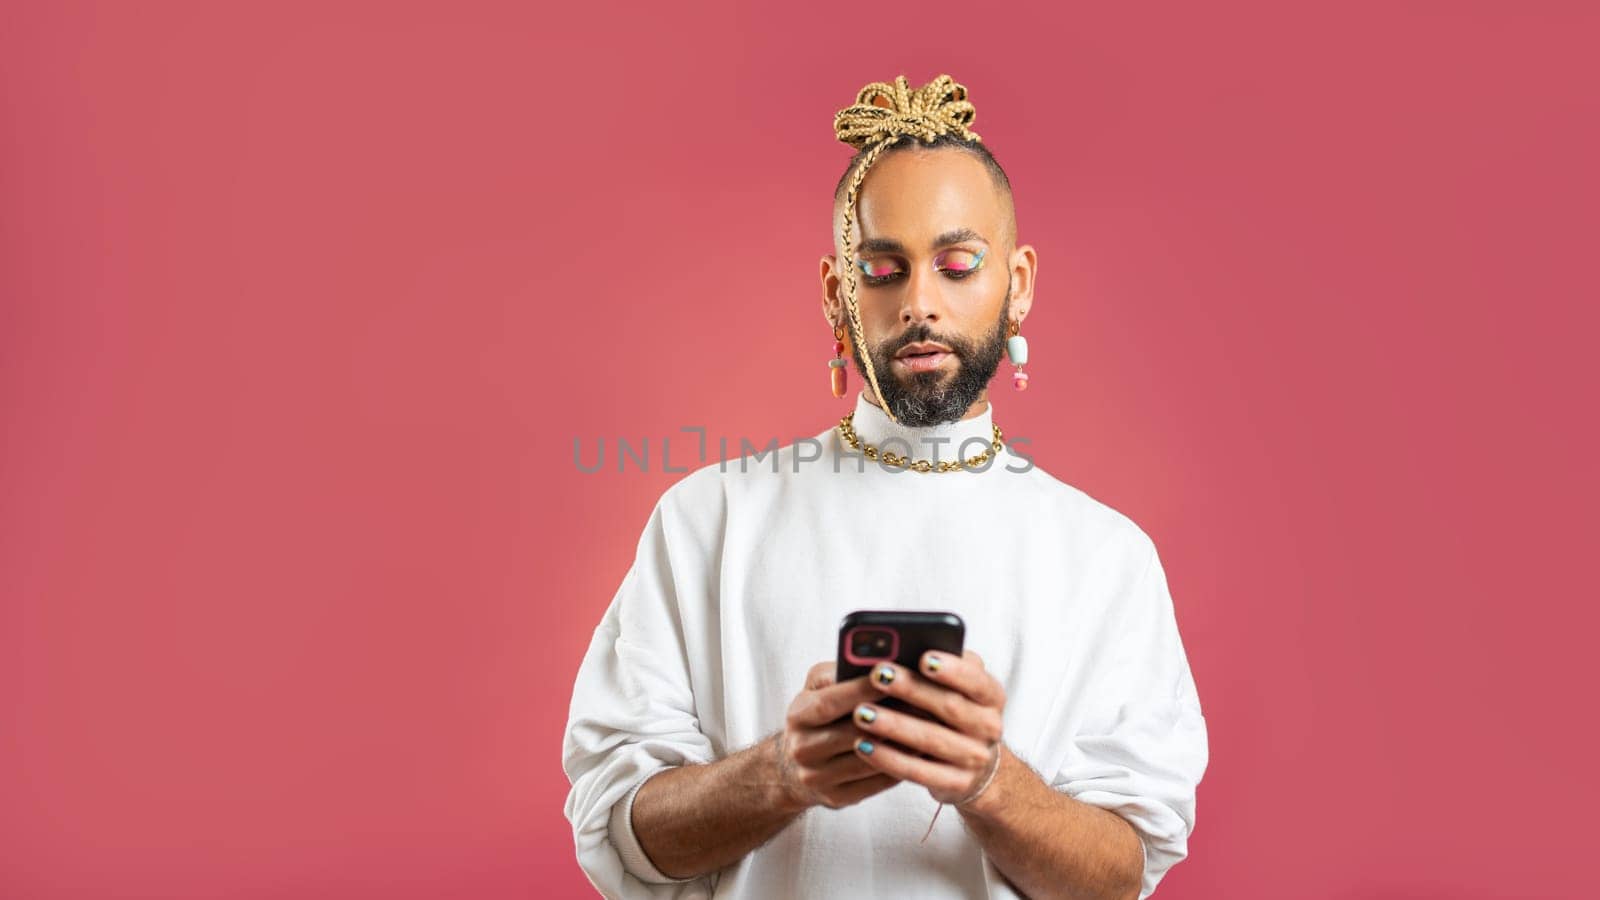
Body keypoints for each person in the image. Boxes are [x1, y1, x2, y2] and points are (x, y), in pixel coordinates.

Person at [561, 73, 1208, 899]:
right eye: (882, 268)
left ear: (1020, 283)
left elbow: (1120, 876)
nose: (920, 303)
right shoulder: (707, 521)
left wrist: (989, 783)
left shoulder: (1107, 557)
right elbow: (622, 833)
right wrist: (782, 773)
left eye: (958, 263)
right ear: (838, 293)